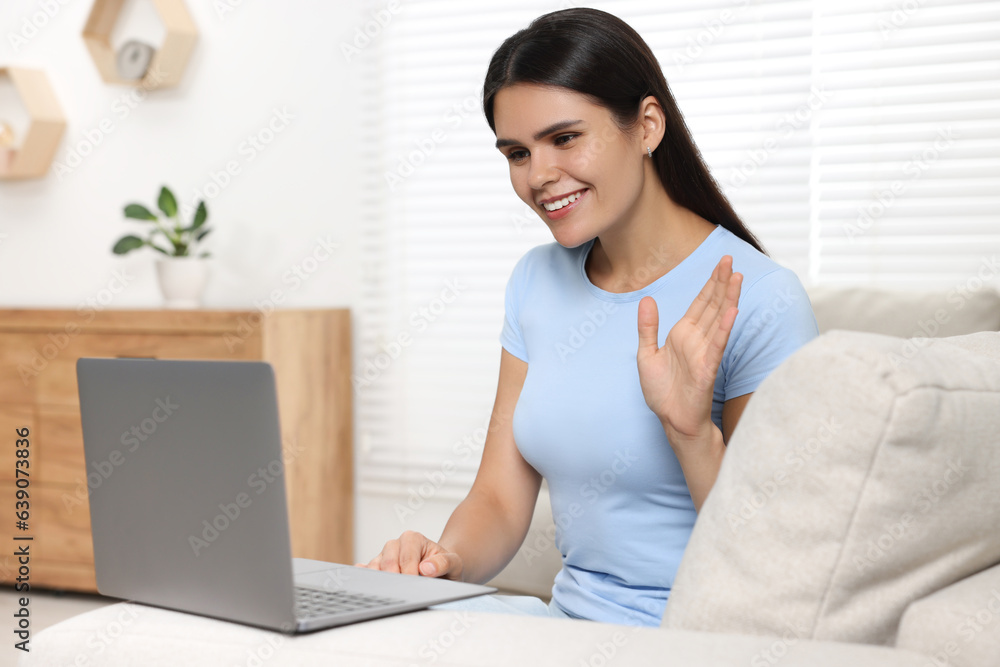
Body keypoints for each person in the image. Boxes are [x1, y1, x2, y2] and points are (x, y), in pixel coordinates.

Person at [356, 7, 819, 627]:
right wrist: (443, 565)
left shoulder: (758, 296)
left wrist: (690, 433)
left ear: (647, 125)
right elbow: (498, 496)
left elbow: (775, 561)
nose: (540, 176)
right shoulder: (536, 281)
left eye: (565, 138)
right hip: (566, 629)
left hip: (698, 635)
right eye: (517, 152)